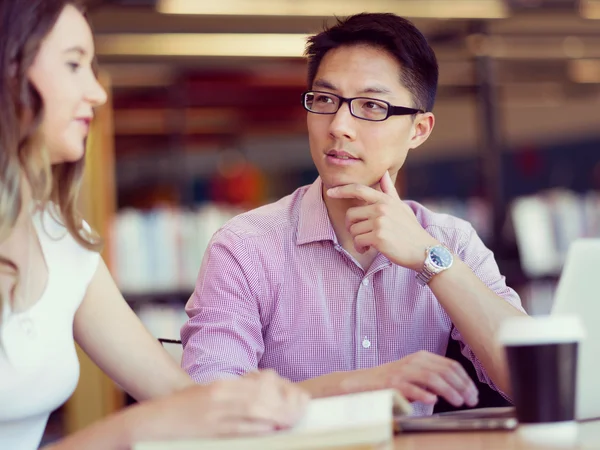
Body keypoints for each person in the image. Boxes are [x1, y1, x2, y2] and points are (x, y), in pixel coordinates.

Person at [181, 12, 528, 416]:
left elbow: (530, 378)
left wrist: (431, 259)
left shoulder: (450, 240)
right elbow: (207, 407)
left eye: (371, 105)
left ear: (419, 129)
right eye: (325, 100)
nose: (339, 126)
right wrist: (360, 385)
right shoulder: (245, 247)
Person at [0, 1, 308, 449]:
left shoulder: (60, 238)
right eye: (73, 65)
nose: (98, 92)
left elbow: (180, 397)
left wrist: (283, 400)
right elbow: (165, 415)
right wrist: (133, 429)